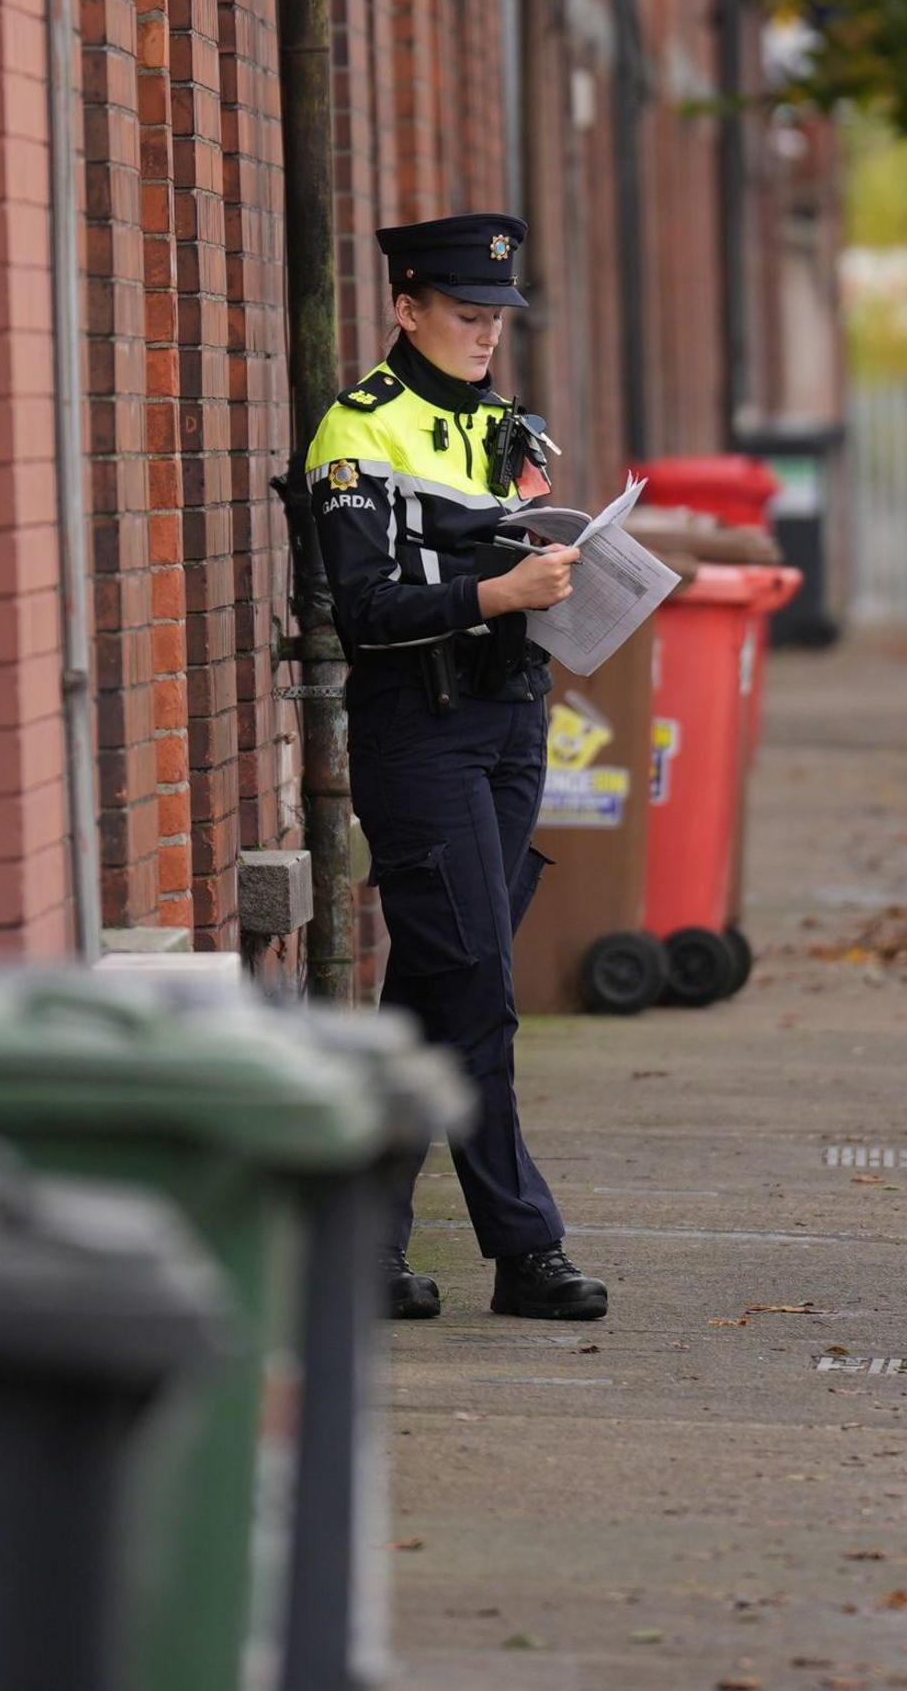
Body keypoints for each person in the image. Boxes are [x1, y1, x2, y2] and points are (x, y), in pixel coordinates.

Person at [301, 211, 611, 1323]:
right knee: (478, 985)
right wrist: (495, 593)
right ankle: (526, 1248)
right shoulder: (356, 431)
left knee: (434, 992)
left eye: (498, 318)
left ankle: (359, 1242)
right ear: (407, 306)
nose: (487, 334)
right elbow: (364, 609)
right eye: (468, 314)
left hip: (510, 718)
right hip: (420, 731)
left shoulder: (503, 428)